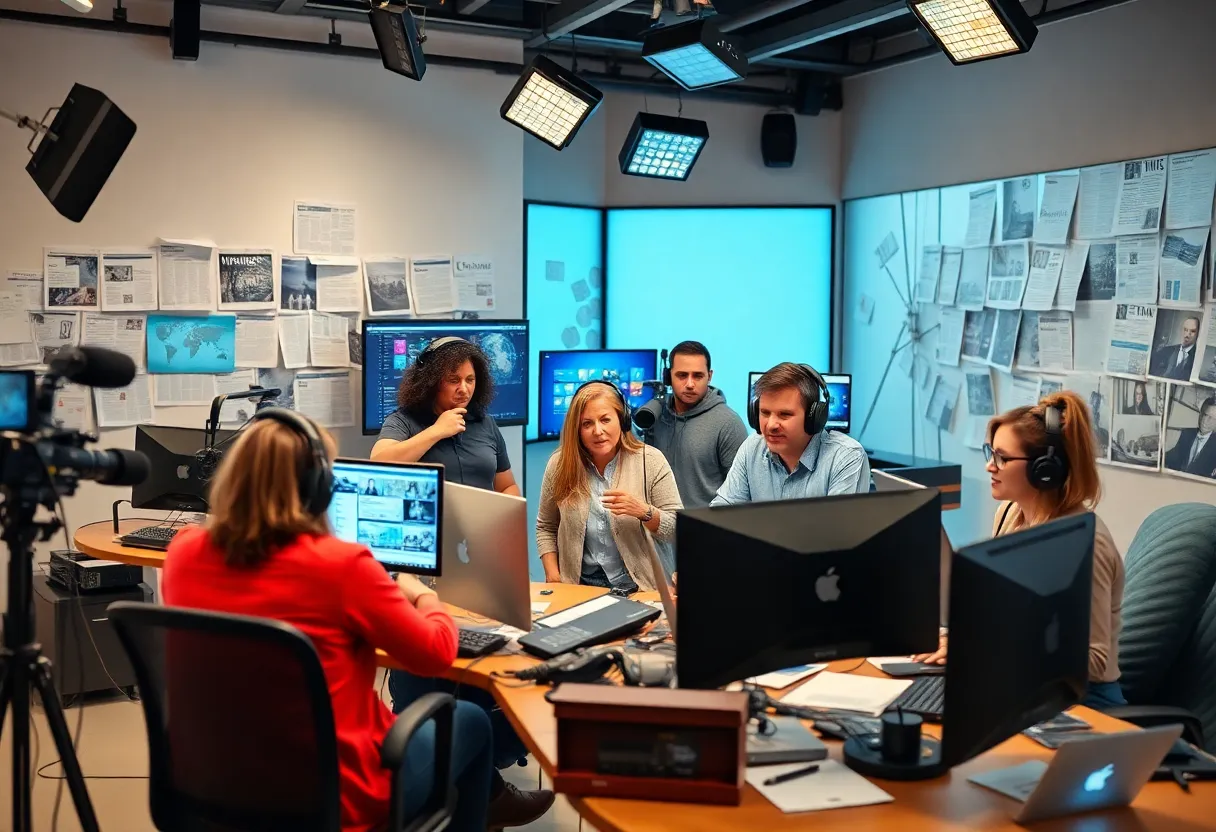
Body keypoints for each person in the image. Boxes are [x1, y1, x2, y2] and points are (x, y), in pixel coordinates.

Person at [161, 410, 498, 832]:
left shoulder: (183, 553)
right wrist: (423, 594)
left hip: (213, 784)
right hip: (334, 800)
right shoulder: (343, 567)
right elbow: (435, 653)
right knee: (471, 721)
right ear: (318, 491)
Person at [372, 337, 550, 827]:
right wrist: (434, 431)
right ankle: (479, 787)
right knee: (432, 674)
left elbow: (507, 484)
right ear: (433, 380)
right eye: (455, 381)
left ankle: (472, 777)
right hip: (423, 569)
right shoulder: (406, 420)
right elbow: (383, 461)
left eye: (471, 381)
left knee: (493, 675)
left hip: (480, 562)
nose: (464, 391)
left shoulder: (487, 425)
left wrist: (509, 510)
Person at [913, 391, 1126, 711]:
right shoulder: (1011, 513)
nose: (989, 466)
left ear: (1045, 469)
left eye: (1002, 457)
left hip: (1083, 701)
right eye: (990, 452)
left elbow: (1094, 661)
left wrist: (987, 649)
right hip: (1023, 681)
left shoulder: (1087, 544)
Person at [536, 380, 683, 591]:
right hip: (580, 587)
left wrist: (644, 512)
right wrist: (554, 578)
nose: (598, 431)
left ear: (622, 421)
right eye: (587, 424)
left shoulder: (650, 460)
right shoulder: (559, 465)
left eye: (605, 420)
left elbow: (678, 528)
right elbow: (546, 527)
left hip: (639, 587)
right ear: (576, 429)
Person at [711, 362, 870, 505]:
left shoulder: (846, 457)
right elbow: (722, 509)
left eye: (785, 414)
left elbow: (837, 532)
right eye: (765, 413)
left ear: (813, 417)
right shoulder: (752, 448)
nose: (771, 425)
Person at [645, 341, 749, 508]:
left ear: (710, 376)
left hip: (705, 529)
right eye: (682, 375)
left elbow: (741, 495)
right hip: (657, 526)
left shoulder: (728, 424)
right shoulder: (656, 416)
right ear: (668, 376)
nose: (690, 384)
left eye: (698, 376)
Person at [1164, 395, 1216, 477]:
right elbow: (1173, 457)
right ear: (1201, 414)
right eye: (1206, 415)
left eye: (1214, 419)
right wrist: (1157, 454)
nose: (1207, 421)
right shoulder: (1187, 433)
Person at [1149, 315, 1201, 380]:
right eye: (1185, 330)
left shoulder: (1198, 358)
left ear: (1198, 333)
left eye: (1192, 331)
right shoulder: (1165, 350)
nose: (1187, 334)